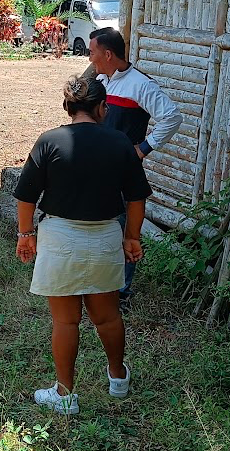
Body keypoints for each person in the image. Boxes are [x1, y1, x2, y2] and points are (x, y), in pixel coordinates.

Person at [13, 76, 152, 415]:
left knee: (66, 322)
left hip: (60, 237)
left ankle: (64, 394)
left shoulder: (49, 141)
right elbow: (136, 199)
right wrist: (131, 236)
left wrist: (26, 234)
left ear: (68, 107)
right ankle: (117, 377)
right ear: (103, 107)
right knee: (107, 317)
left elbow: (26, 196)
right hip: (105, 236)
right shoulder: (120, 142)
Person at [87, 27, 182, 308]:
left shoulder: (141, 84)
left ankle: (120, 293)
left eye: (92, 52)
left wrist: (143, 149)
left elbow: (172, 117)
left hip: (122, 171)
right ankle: (99, 286)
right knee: (99, 225)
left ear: (108, 54)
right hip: (98, 167)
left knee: (123, 229)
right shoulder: (100, 80)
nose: (89, 58)